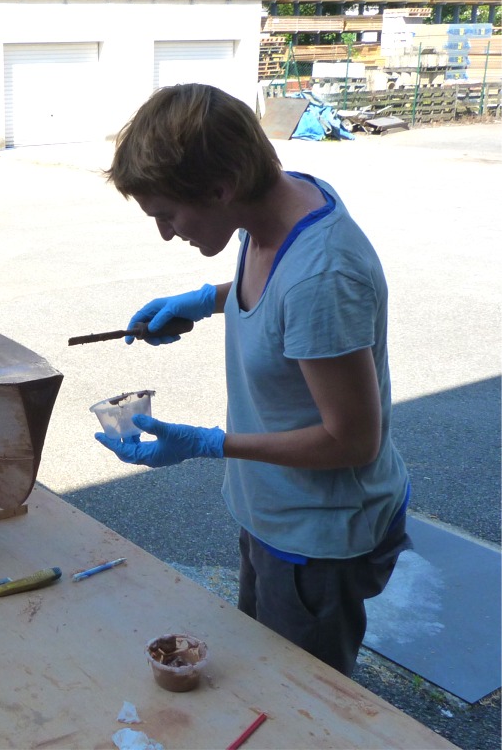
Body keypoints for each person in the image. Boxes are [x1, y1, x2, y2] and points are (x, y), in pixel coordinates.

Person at [95, 83, 411, 677]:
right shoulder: (278, 200)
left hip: (316, 538)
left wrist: (209, 444)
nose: (165, 233)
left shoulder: (323, 277)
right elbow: (280, 297)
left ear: (221, 189)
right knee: (257, 678)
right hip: (274, 511)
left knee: (300, 705)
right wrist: (211, 300)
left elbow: (352, 441)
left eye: (167, 214)